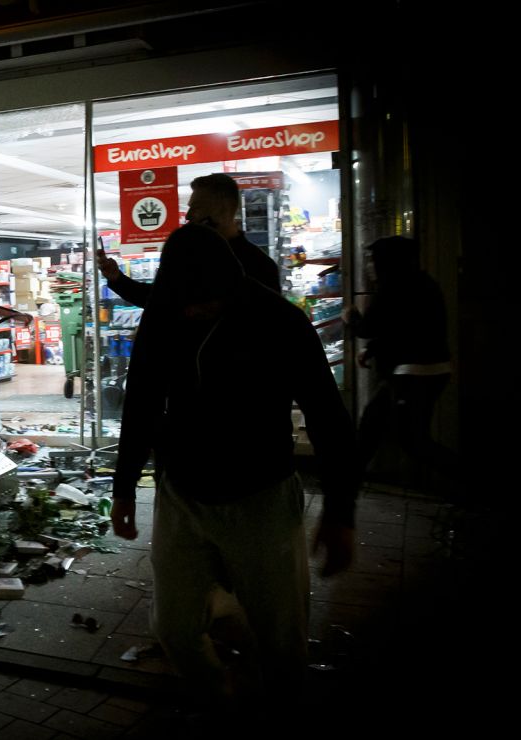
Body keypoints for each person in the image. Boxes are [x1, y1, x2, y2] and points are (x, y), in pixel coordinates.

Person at [109, 223, 357, 717]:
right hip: (181, 495)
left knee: (280, 639)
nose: (191, 312)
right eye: (184, 302)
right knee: (174, 627)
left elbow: (328, 418)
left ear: (231, 286)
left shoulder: (279, 320)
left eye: (203, 302)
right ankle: (216, 695)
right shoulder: (166, 311)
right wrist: (122, 488)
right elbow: (140, 403)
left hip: (261, 497)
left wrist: (341, 512)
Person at [342, 235, 453, 484]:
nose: (369, 266)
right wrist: (372, 350)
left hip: (413, 373)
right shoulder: (423, 283)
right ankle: (349, 476)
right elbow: (405, 327)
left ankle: (470, 479)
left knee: (412, 441)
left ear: (386, 262)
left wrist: (350, 316)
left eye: (372, 260)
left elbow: (369, 328)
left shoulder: (392, 287)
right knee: (374, 421)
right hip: (427, 370)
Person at [97, 173, 281, 305]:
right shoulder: (190, 258)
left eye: (197, 207)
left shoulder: (260, 267)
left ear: (223, 209)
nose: (189, 215)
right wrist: (118, 279)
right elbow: (159, 299)